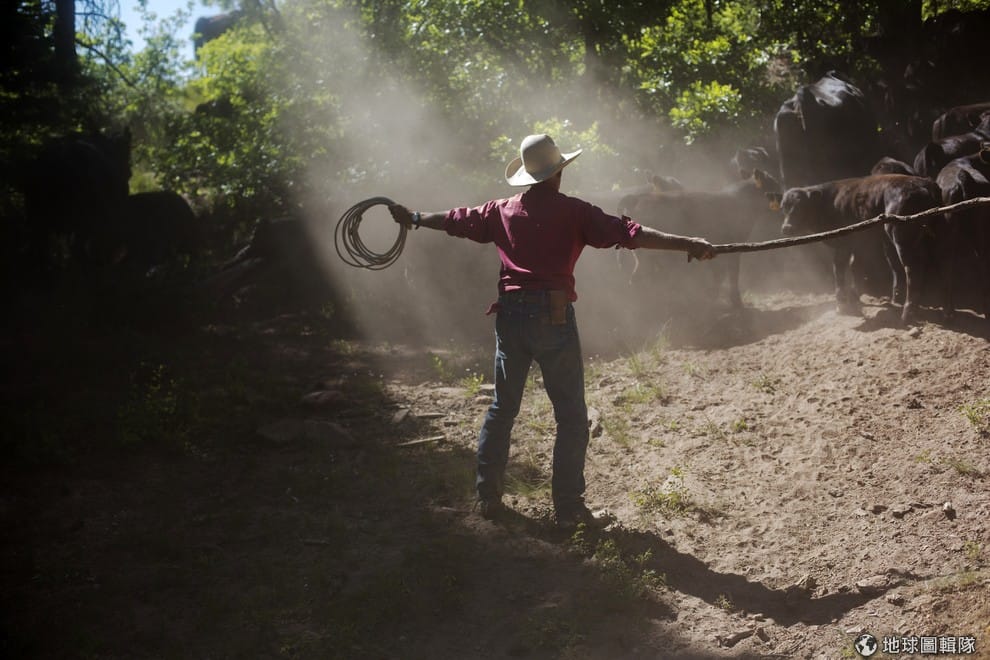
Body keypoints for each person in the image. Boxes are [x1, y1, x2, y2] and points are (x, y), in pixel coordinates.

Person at [388, 133, 715, 529]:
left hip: (511, 316)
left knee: (502, 409)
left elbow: (456, 219)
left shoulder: (501, 210)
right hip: (553, 315)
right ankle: (569, 510)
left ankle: (488, 498)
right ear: (558, 173)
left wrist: (417, 218)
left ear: (528, 176)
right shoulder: (575, 212)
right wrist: (688, 243)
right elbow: (631, 233)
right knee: (571, 417)